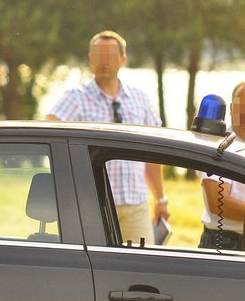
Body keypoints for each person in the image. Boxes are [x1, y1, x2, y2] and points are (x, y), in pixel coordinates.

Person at [45, 30, 168, 244]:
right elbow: (47, 134)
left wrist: (160, 198)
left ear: (123, 59)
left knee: (142, 269)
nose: (103, 62)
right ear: (90, 58)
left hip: (135, 205)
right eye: (98, 55)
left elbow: (152, 155)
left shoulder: (140, 99)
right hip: (92, 205)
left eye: (109, 56)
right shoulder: (76, 98)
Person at [199, 79, 245, 250]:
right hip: (224, 242)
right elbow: (217, 202)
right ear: (231, 109)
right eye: (242, 109)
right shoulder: (218, 142)